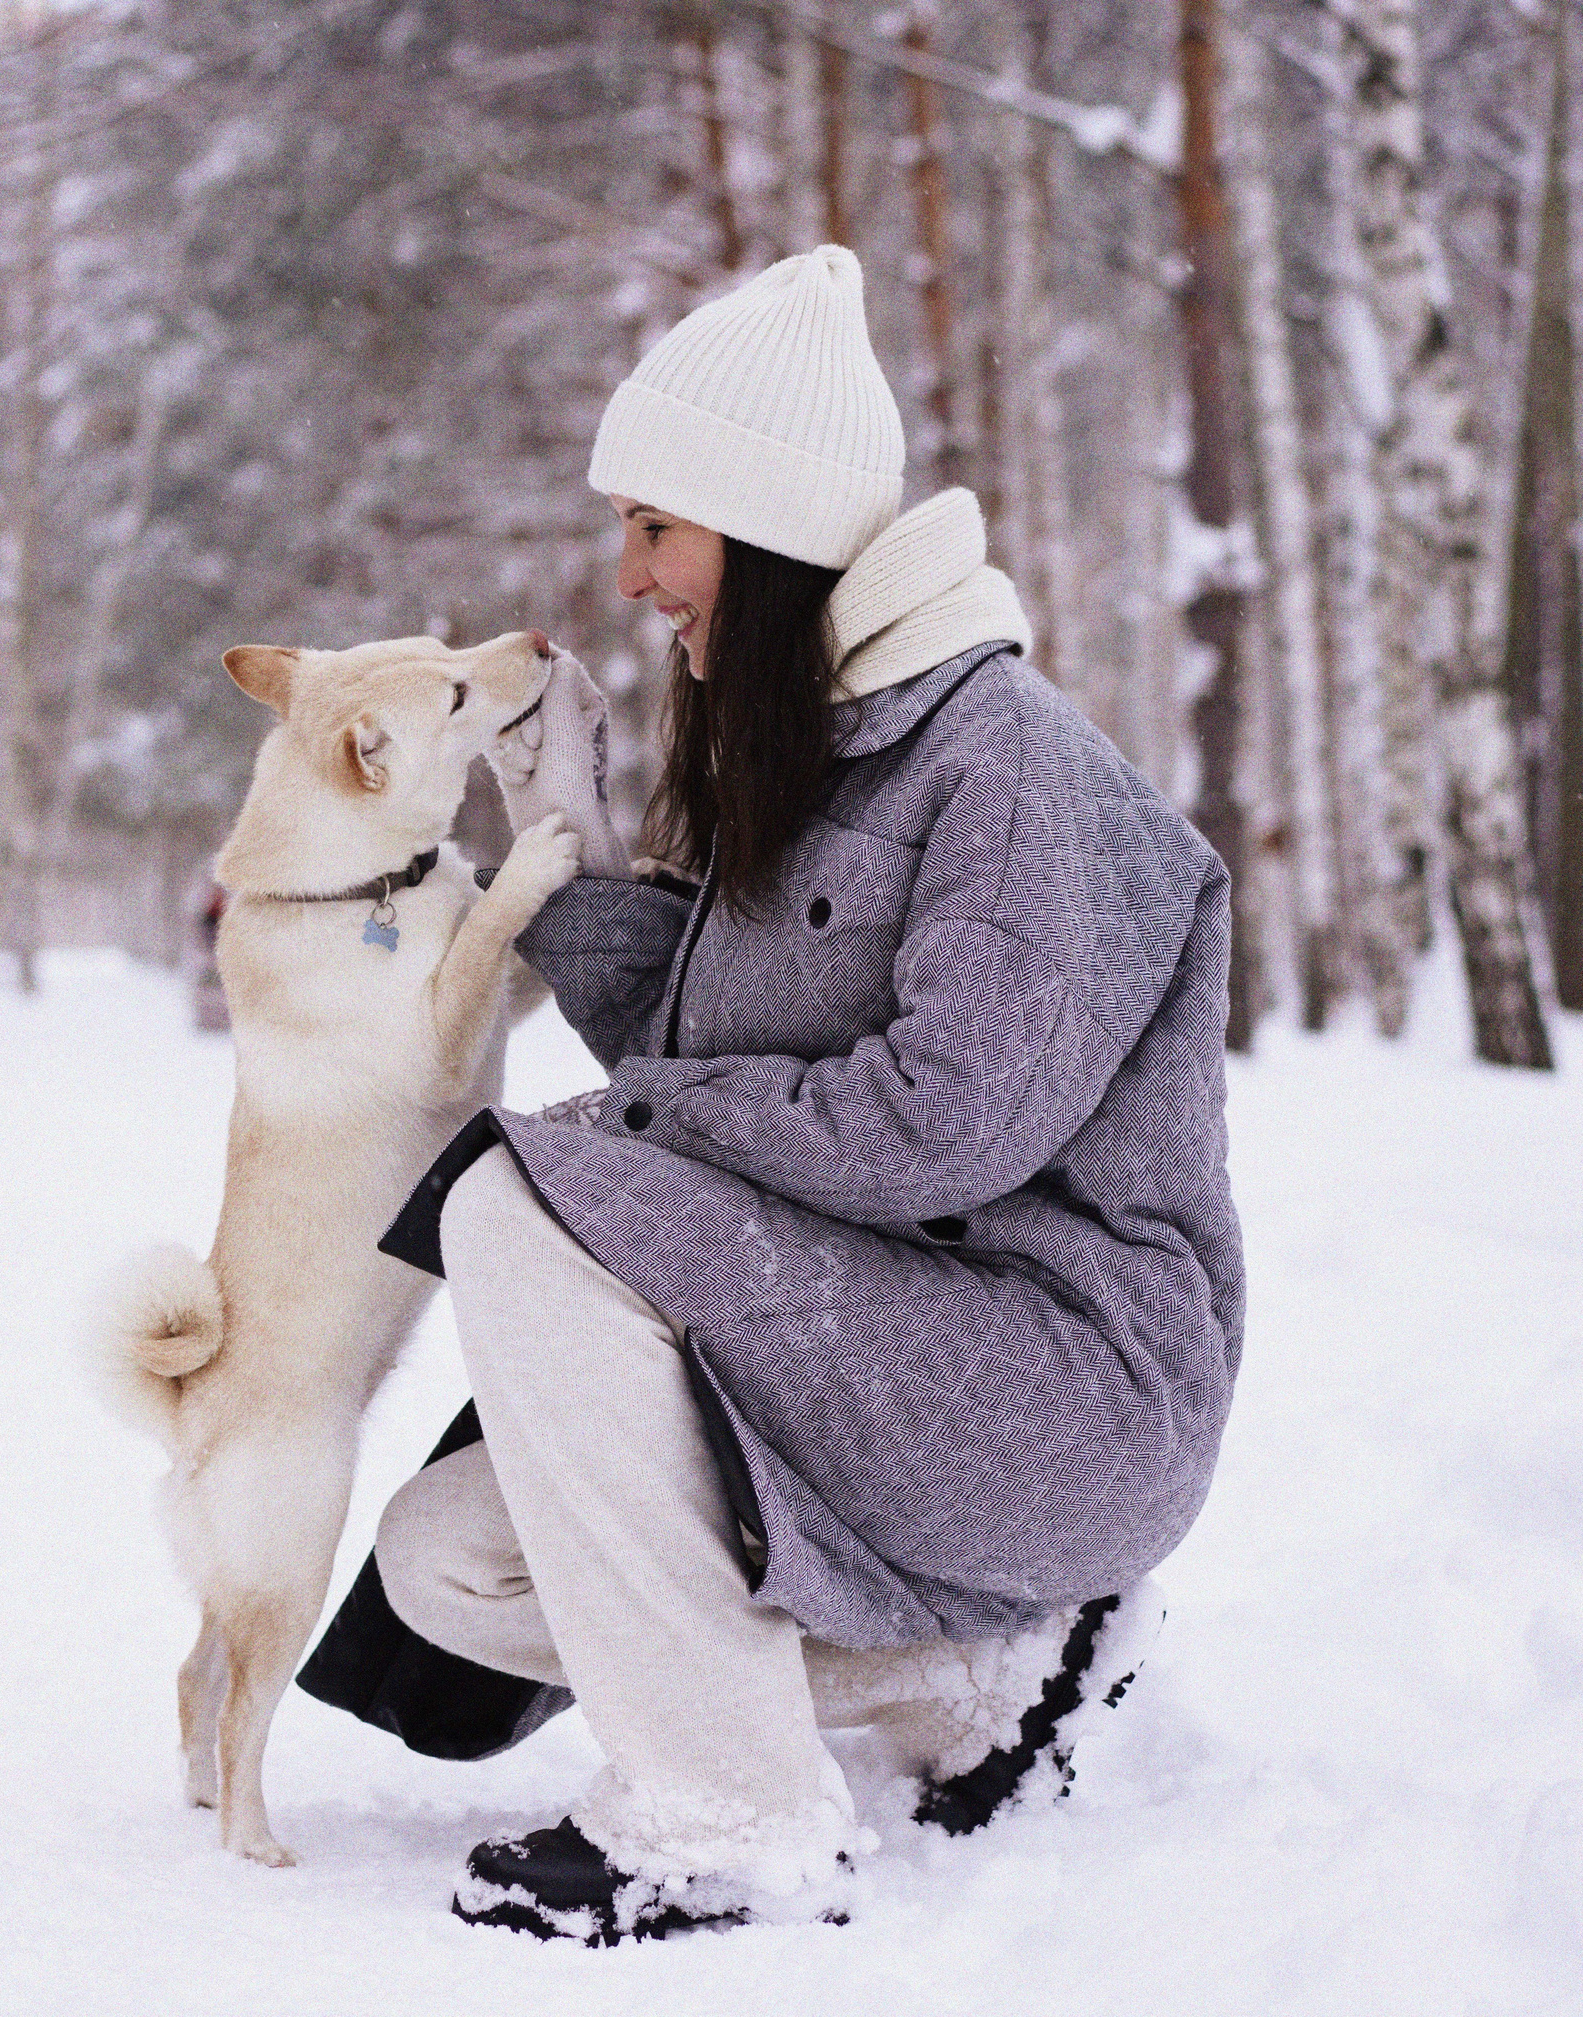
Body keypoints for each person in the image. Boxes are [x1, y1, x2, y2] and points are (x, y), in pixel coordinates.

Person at [297, 245, 1244, 1944]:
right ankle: (974, 1678)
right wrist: (568, 838)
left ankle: (724, 1814)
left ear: (767, 525)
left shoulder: (1012, 767)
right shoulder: (807, 759)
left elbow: (944, 1119)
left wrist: (637, 1137)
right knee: (453, 1559)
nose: (631, 572)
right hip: (865, 1347)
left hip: (1056, 1375)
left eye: (658, 526)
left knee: (520, 1193)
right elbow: (699, 1051)